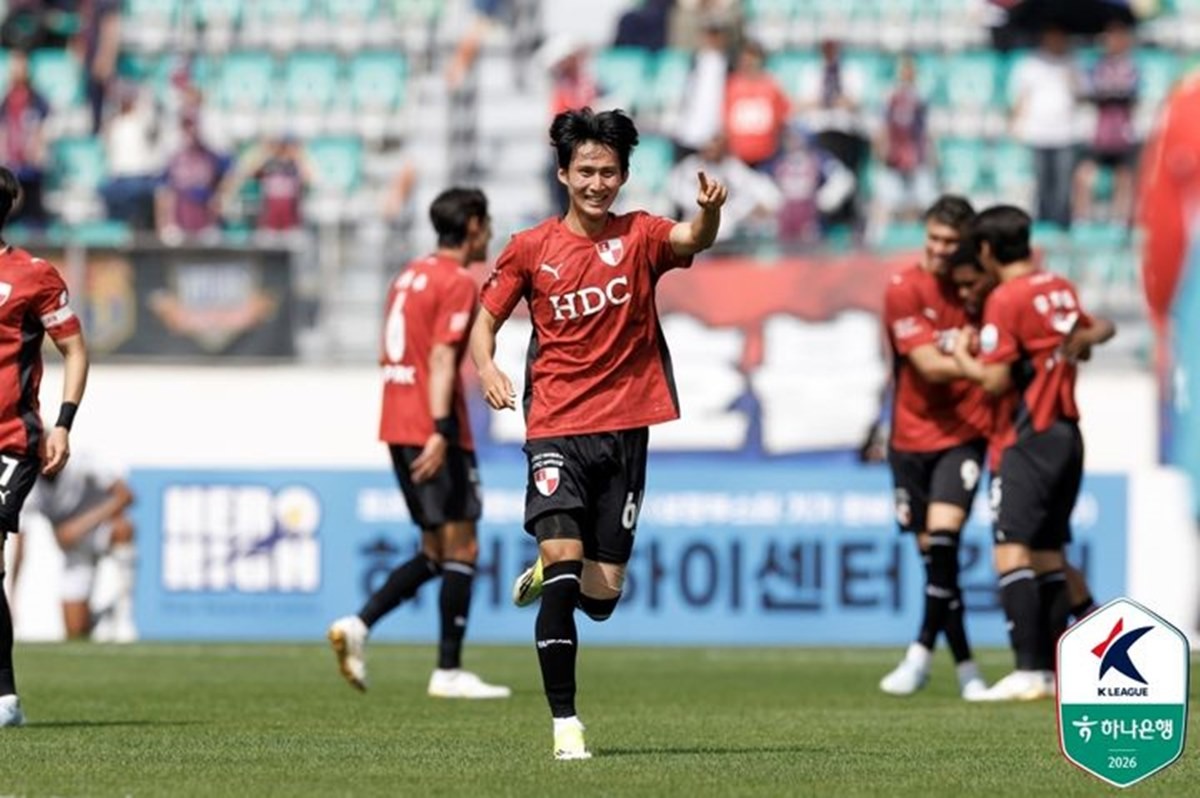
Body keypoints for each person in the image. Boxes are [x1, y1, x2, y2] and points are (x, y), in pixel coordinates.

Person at [469, 107, 727, 760]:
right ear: (563, 173)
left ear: (623, 177)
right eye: (585, 170)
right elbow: (484, 320)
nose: (597, 182)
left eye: (608, 171)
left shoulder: (640, 235)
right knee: (564, 565)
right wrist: (486, 364)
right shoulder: (530, 247)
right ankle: (565, 725)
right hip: (555, 427)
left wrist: (711, 212)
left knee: (603, 595)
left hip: (626, 432)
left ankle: (556, 571)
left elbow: (694, 240)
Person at [327, 187, 510, 701]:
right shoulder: (456, 281)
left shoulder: (408, 275)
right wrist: (441, 430)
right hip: (431, 427)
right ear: (473, 224)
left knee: (435, 550)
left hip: (396, 420)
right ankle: (448, 671)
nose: (490, 232)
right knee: (464, 546)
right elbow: (443, 360)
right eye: (487, 222)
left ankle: (359, 626)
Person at [950, 205, 1115, 701]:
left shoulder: (1007, 297)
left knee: (1012, 551)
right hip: (1067, 433)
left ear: (985, 250)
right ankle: (1054, 669)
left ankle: (1028, 668)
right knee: (1047, 555)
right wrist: (1084, 338)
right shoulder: (1057, 286)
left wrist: (963, 359)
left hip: (1027, 437)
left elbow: (998, 378)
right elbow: (1100, 328)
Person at [877, 195, 990, 701]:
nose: (942, 250)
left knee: (943, 543)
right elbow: (927, 365)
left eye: (951, 241)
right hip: (909, 439)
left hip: (963, 433)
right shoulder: (904, 289)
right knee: (936, 566)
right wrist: (979, 368)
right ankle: (967, 671)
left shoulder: (977, 289)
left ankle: (920, 653)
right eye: (934, 239)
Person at [0, 165, 91, 728]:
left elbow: (75, 351)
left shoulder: (33, 275)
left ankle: (5, 696)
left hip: (11, 440)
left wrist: (63, 424)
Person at [14, 453, 137, 642]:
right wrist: (12, 597)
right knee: (75, 631)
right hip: (74, 551)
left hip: (102, 530)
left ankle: (124, 615)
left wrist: (79, 526)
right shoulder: (27, 485)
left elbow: (126, 496)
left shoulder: (83, 462)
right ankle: (101, 617)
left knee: (123, 530)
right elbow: (21, 545)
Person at [1072, 19, 1140, 224]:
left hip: (1122, 133)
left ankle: (1119, 221)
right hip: (1098, 134)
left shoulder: (1132, 66)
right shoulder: (1094, 65)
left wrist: (1109, 94)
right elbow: (1086, 92)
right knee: (1084, 175)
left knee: (1124, 177)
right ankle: (1082, 219)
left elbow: (1130, 93)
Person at [0, 50, 51, 229]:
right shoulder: (6, 100)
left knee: (33, 213)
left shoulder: (37, 99)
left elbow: (42, 127)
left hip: (31, 164)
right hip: (11, 163)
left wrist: (37, 149)